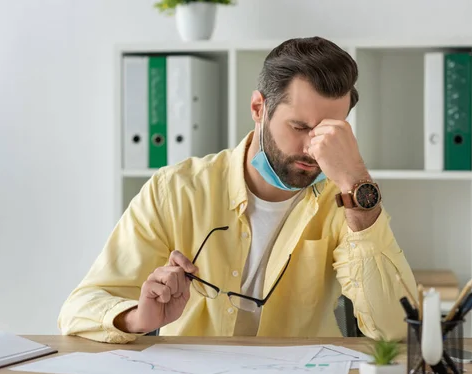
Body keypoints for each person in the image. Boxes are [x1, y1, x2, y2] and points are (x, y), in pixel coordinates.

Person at [58, 36, 418, 344]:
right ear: (259, 108)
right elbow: (79, 309)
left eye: (329, 130)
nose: (313, 147)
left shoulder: (345, 199)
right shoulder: (176, 189)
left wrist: (356, 182)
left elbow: (397, 328)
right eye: (299, 126)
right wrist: (139, 318)